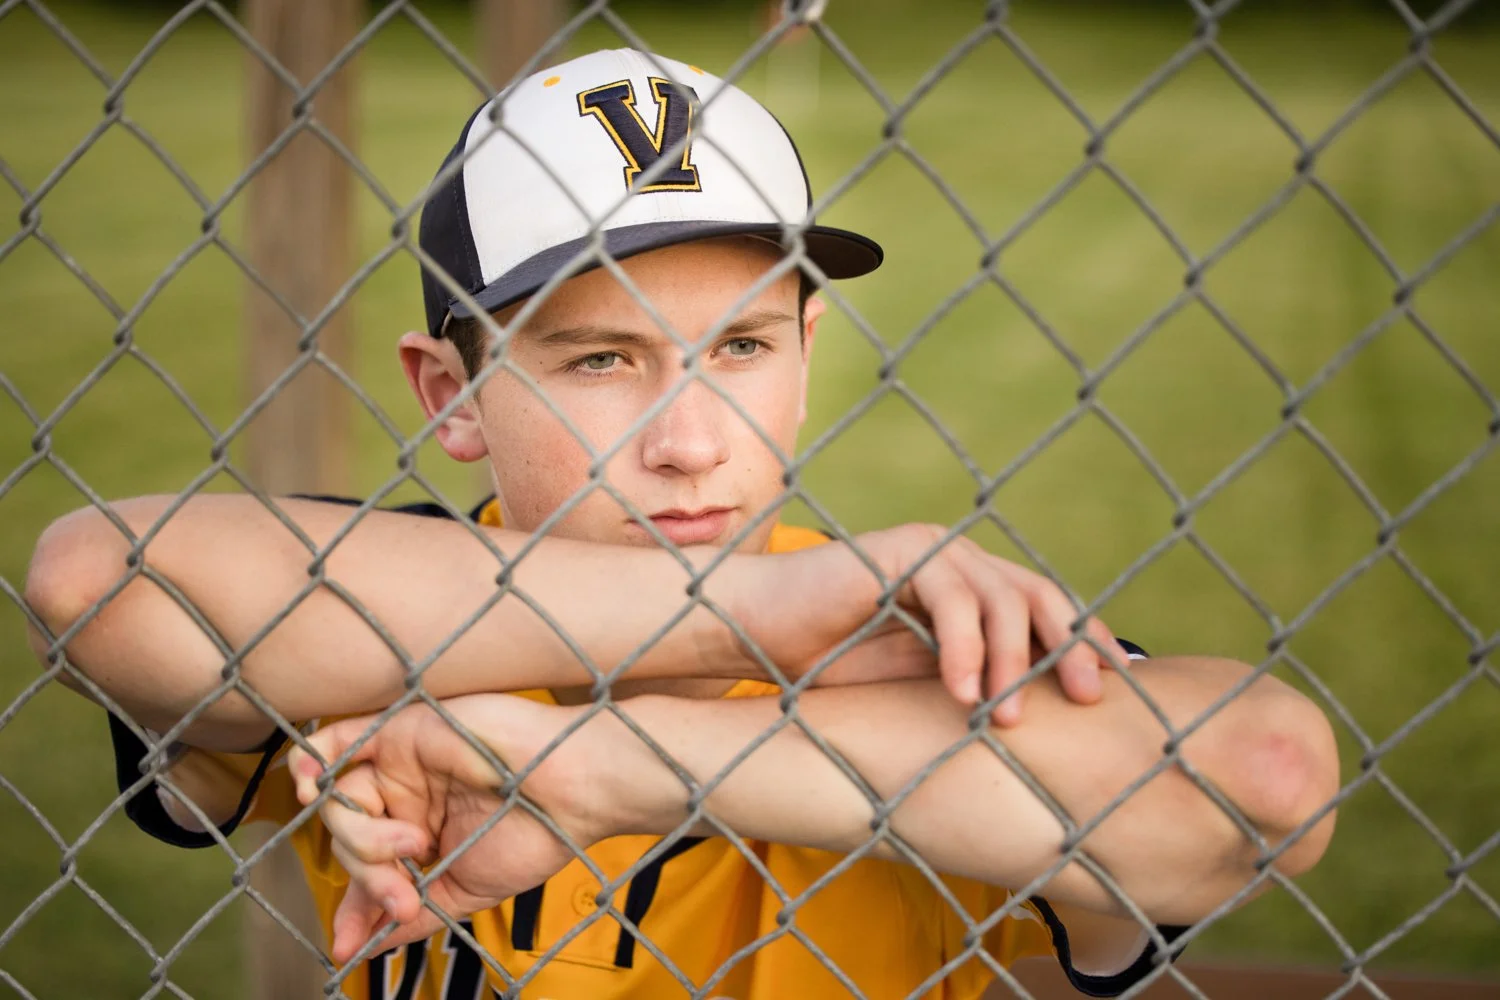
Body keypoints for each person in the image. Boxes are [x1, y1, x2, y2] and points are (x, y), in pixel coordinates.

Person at [23, 48, 1339, 1000]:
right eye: (602, 361)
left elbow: (1262, 784)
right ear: (453, 394)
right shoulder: (396, 601)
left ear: (810, 351)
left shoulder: (926, 664)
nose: (693, 441)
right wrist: (754, 610)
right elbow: (100, 581)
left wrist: (608, 762)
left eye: (745, 346)